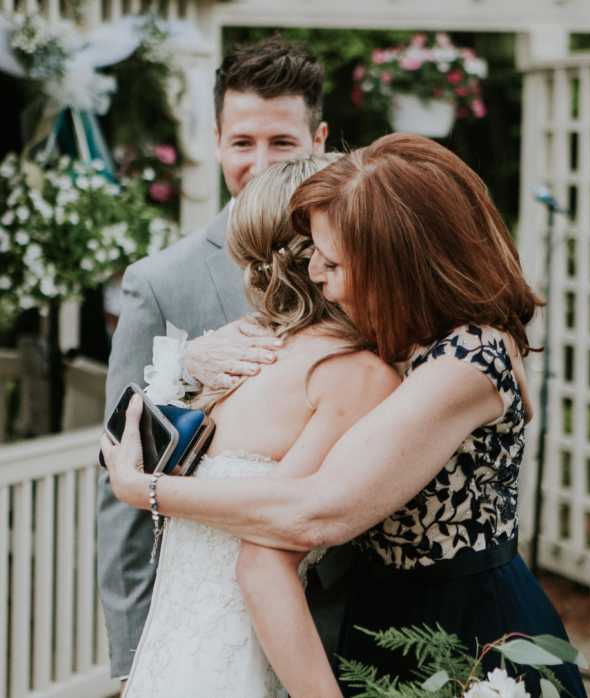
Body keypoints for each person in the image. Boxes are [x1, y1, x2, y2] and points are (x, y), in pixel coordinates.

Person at [102, 133, 588, 698]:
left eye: (333, 263)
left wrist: (146, 489)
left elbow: (315, 512)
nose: (317, 277)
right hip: (379, 621)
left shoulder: (469, 358)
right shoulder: (398, 336)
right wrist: (197, 356)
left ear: (393, 265)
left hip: (467, 631)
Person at [95, 38, 359, 689]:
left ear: (320, 138)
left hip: (353, 614)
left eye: (282, 143)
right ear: (215, 141)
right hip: (215, 625)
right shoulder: (161, 282)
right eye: (243, 143)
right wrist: (131, 661)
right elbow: (118, 479)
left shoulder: (364, 260)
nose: (260, 162)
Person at [118, 157, 400, 697]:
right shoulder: (351, 374)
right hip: (240, 660)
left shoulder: (235, 358)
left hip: (172, 662)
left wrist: (145, 488)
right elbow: (266, 554)